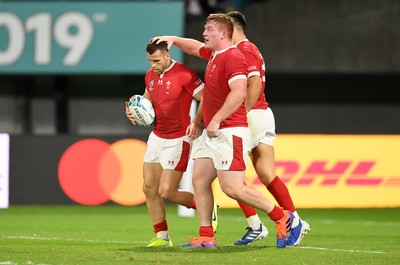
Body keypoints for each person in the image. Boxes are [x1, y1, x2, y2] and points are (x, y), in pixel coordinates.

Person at [154, 13, 298, 248]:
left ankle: (282, 218)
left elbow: (240, 92)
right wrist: (173, 39)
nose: (203, 32)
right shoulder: (215, 54)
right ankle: (206, 236)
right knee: (199, 182)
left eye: (208, 28)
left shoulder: (233, 56)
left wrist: (217, 119)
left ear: (223, 33)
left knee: (233, 188)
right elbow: (194, 49)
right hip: (212, 133)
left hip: (230, 131)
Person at [226, 10, 311, 247]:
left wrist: (242, 112)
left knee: (229, 173)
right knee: (265, 172)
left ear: (232, 29)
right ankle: (294, 220)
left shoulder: (244, 49)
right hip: (261, 114)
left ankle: (259, 224)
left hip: (251, 116)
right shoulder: (247, 49)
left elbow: (255, 83)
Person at [125, 40, 205, 247]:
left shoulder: (184, 74)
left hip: (179, 138)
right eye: (150, 60)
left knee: (167, 192)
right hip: (157, 136)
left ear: (168, 56)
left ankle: (206, 206)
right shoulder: (150, 75)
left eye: (157, 60)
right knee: (149, 187)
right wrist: (135, 111)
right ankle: (162, 237)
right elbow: (147, 99)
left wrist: (196, 121)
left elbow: (206, 98)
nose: (153, 64)